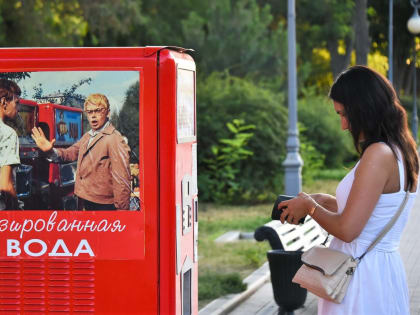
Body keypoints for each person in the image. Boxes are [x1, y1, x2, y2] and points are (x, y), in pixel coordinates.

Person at [278, 66, 419, 314]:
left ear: (364, 109)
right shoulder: (400, 150)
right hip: (379, 271)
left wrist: (309, 207)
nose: (344, 125)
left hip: (360, 278)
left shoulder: (378, 154)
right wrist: (323, 201)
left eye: (345, 114)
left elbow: (348, 230)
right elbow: (374, 211)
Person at [31, 93, 131, 210]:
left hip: (104, 206)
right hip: (85, 201)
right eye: (89, 112)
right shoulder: (88, 136)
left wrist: (122, 215)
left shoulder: (114, 138)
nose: (93, 116)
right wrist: (50, 151)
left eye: (98, 111)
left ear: (107, 112)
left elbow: (122, 180)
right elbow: (70, 153)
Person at [0, 79, 21, 210]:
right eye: (16, 103)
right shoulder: (8, 133)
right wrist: (17, 212)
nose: (18, 109)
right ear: (3, 102)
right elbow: (5, 185)